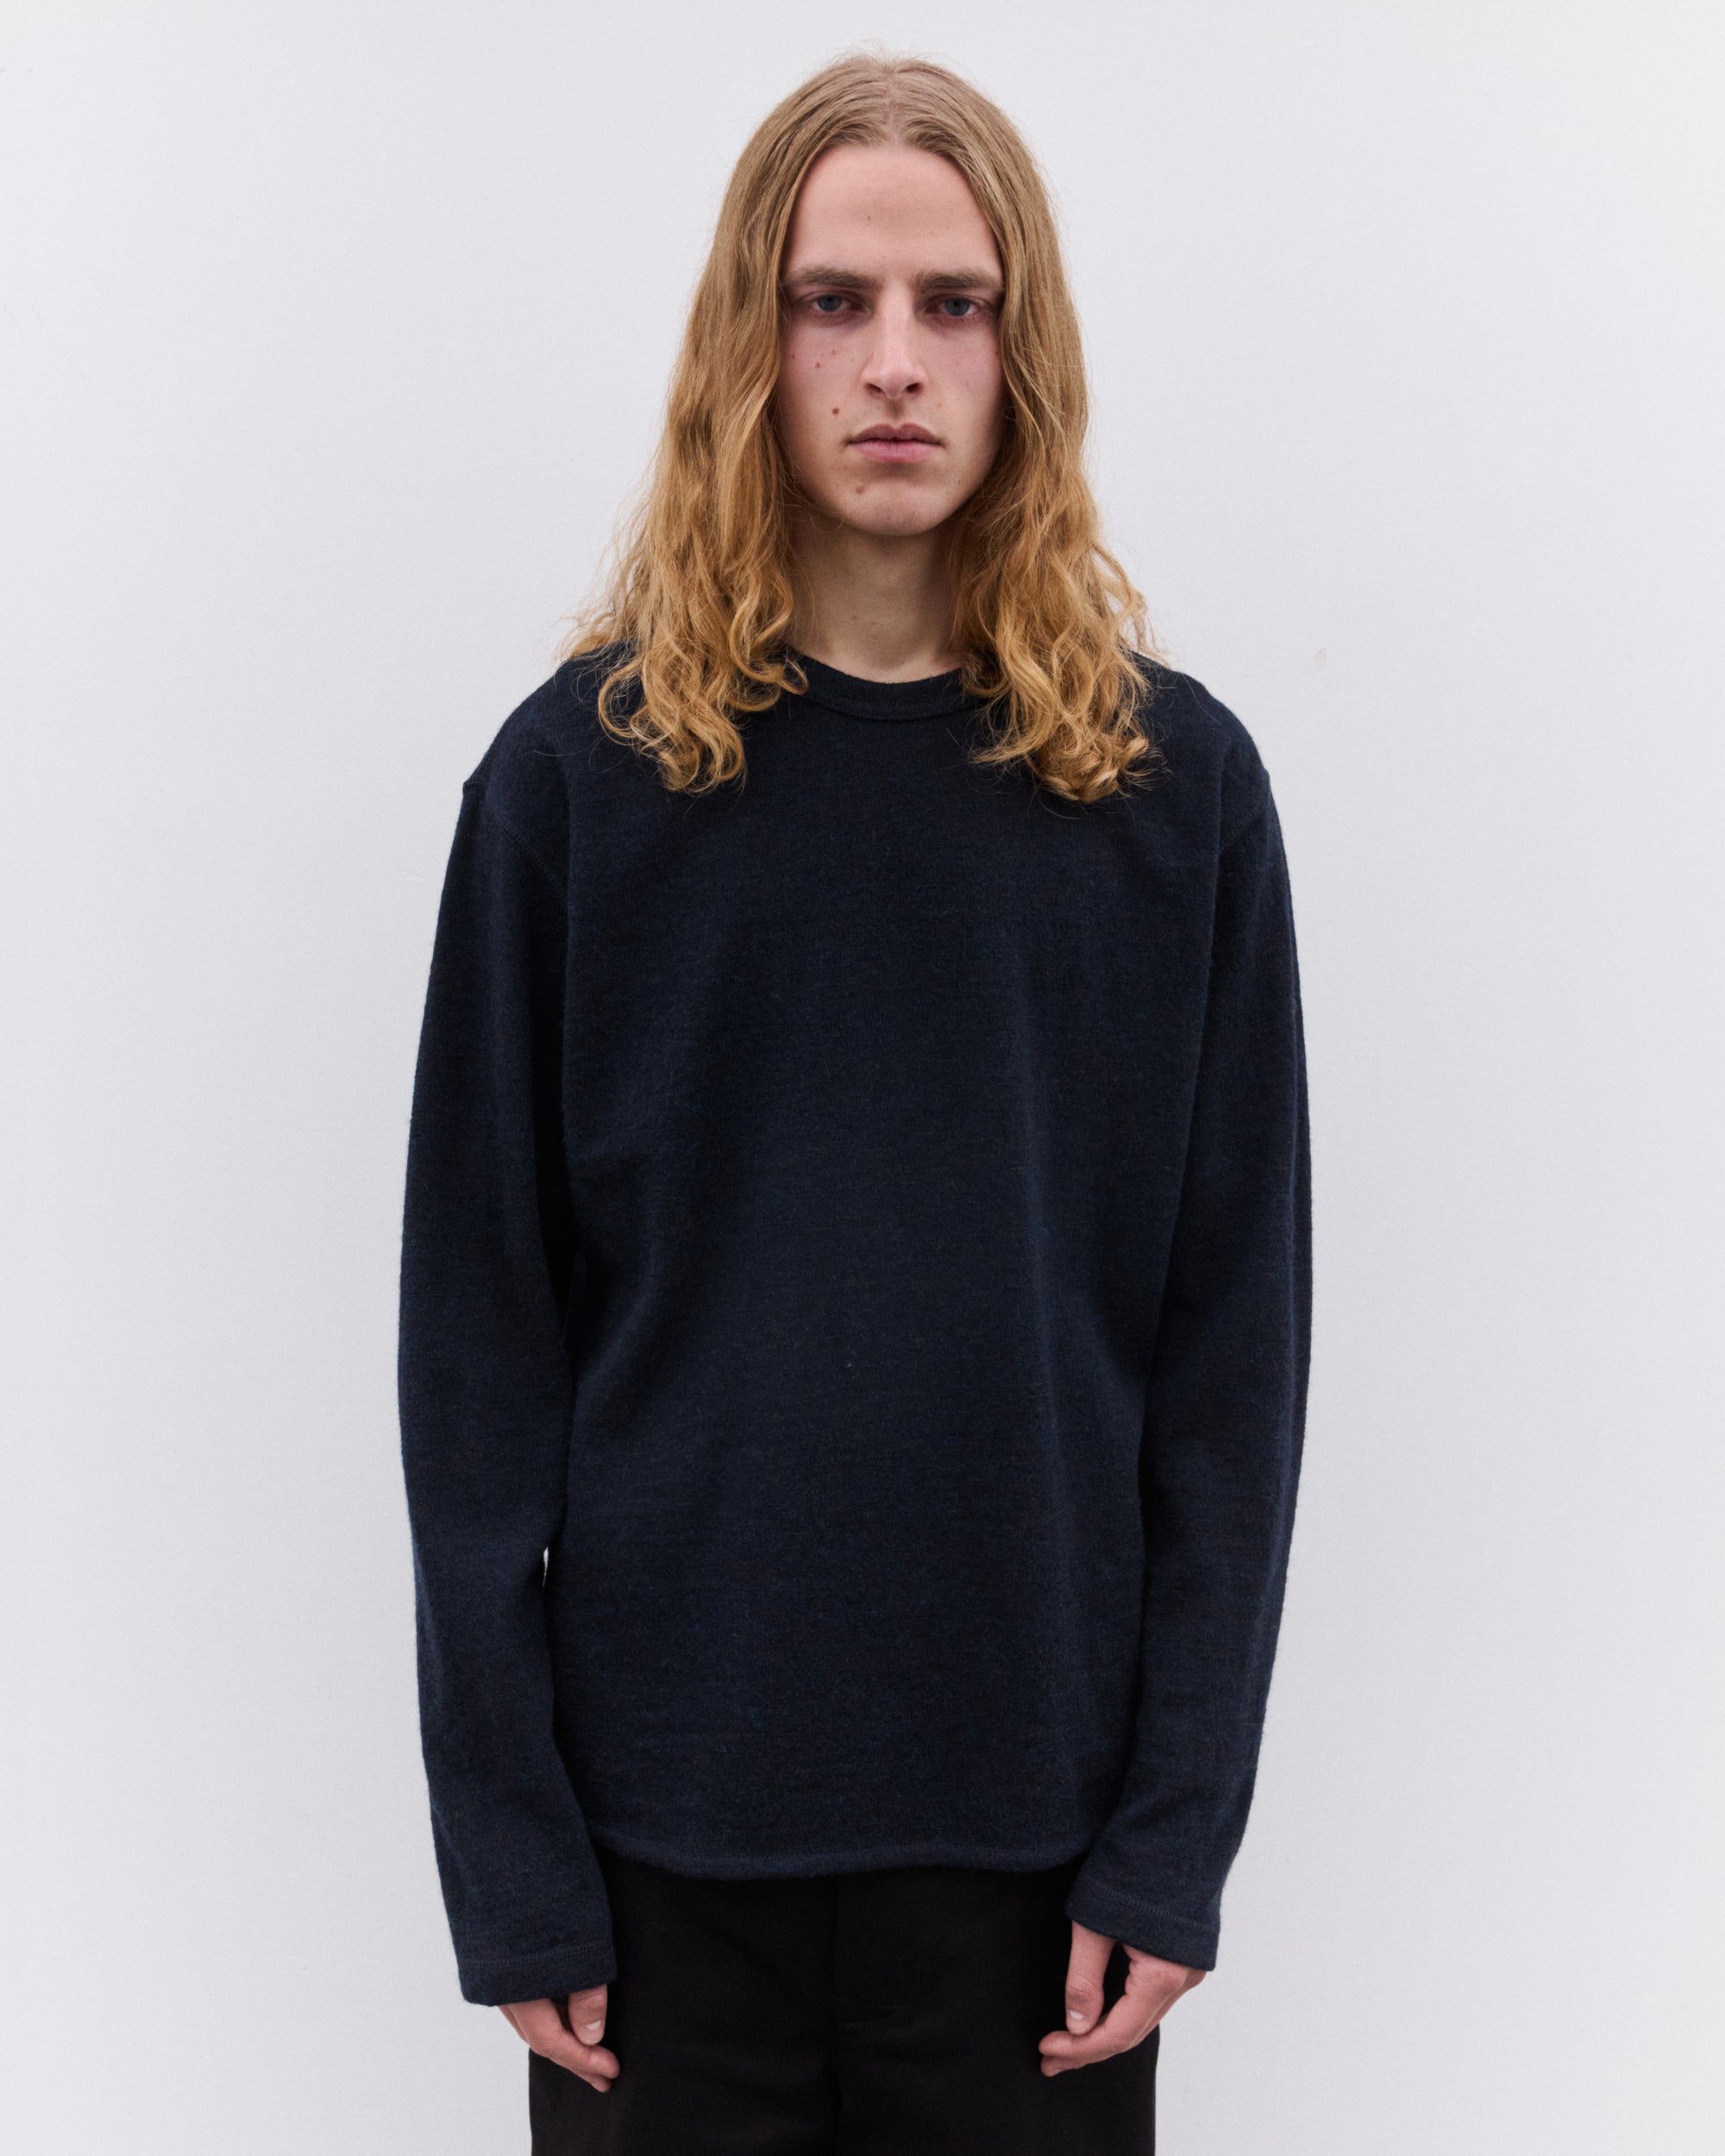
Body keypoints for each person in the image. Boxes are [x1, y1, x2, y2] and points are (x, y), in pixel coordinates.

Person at [397, 49, 1310, 2156]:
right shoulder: (573, 787)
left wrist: (1173, 1834)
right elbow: (475, 1366)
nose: (894, 359)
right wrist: (511, 1855)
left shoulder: (1173, 799)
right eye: (833, 300)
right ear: (753, 340)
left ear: (1020, 350)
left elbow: (1229, 1365)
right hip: (652, 1875)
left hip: (1039, 1879)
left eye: (951, 303)